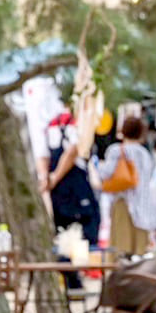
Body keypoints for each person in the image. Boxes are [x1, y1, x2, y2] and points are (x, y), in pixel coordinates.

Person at [39, 109, 100, 293]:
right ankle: (73, 277)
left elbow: (43, 156)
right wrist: (53, 178)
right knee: (81, 235)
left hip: (61, 193)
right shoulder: (74, 124)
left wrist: (47, 180)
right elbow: (73, 152)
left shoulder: (50, 126)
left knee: (67, 236)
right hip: (74, 193)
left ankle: (73, 277)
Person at [97, 115, 155, 256]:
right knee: (139, 252)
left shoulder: (117, 150)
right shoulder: (146, 155)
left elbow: (106, 173)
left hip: (123, 203)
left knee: (120, 251)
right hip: (143, 206)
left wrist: (95, 167)